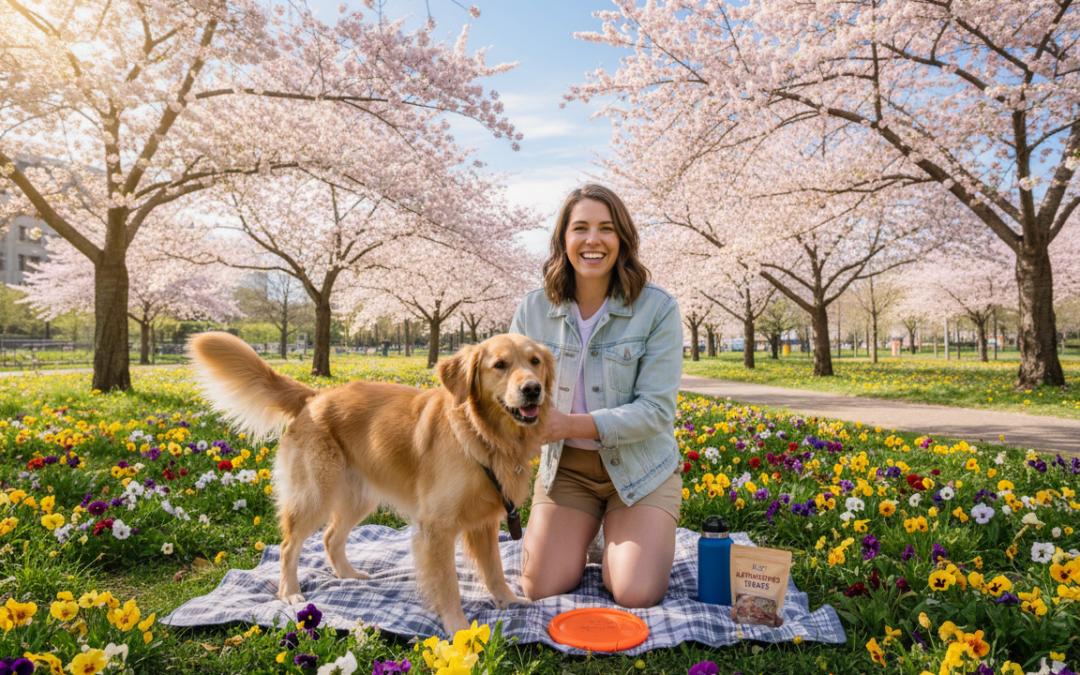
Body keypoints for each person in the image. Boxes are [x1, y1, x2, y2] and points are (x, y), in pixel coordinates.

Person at [509, 184, 683, 608]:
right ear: (563, 239)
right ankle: (592, 535)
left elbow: (657, 410)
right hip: (566, 472)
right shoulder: (533, 310)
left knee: (634, 591)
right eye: (580, 228)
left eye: (606, 228)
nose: (593, 240)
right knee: (539, 586)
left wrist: (570, 424)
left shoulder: (657, 308)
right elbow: (507, 390)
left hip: (640, 471)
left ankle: (620, 542)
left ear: (622, 238)